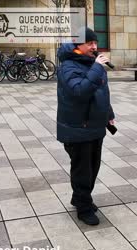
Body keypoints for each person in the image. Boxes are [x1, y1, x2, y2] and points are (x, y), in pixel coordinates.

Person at [57, 28, 114, 225]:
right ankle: (83, 207)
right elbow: (80, 91)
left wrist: (109, 114)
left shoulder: (90, 63)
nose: (94, 47)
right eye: (89, 43)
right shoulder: (68, 66)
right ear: (77, 45)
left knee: (93, 166)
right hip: (77, 127)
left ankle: (81, 198)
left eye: (95, 42)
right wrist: (98, 68)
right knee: (83, 170)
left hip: (95, 126)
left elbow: (100, 91)